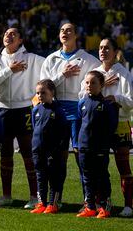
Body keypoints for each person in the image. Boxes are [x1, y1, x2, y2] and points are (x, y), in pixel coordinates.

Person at [0, 27, 45, 208]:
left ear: (21, 40)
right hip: (1, 110)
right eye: (5, 34)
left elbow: (50, 69)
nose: (8, 36)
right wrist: (9, 70)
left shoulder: (33, 59)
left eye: (13, 34)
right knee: (5, 154)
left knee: (28, 153)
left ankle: (35, 197)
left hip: (24, 109)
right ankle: (7, 195)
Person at [40, 23, 100, 202]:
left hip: (78, 112)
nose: (65, 33)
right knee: (57, 159)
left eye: (69, 30)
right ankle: (55, 199)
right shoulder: (51, 59)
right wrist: (61, 74)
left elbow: (99, 79)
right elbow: (42, 87)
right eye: (62, 30)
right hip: (56, 112)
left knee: (82, 159)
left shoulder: (88, 59)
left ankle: (89, 201)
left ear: (76, 35)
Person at [80, 38, 133, 217]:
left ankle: (128, 205)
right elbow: (83, 95)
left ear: (115, 51)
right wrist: (101, 87)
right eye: (101, 48)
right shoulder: (93, 72)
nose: (103, 51)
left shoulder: (124, 73)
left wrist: (116, 98)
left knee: (123, 166)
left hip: (119, 124)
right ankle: (96, 204)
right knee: (97, 167)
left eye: (107, 48)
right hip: (97, 128)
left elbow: (131, 101)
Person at [76, 71, 118, 219]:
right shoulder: (82, 102)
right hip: (84, 147)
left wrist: (103, 144)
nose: (89, 85)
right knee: (87, 177)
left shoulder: (107, 105)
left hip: (100, 148)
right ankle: (90, 207)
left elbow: (112, 126)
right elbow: (80, 123)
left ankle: (104, 207)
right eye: (87, 82)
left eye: (93, 83)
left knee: (101, 177)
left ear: (101, 85)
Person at [30, 80, 69, 214]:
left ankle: (53, 203)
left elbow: (63, 132)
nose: (40, 95)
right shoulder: (36, 110)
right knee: (40, 177)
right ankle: (42, 203)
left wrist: (57, 149)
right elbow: (36, 129)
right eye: (38, 93)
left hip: (53, 152)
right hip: (38, 151)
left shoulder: (58, 111)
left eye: (43, 92)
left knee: (54, 178)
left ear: (52, 93)